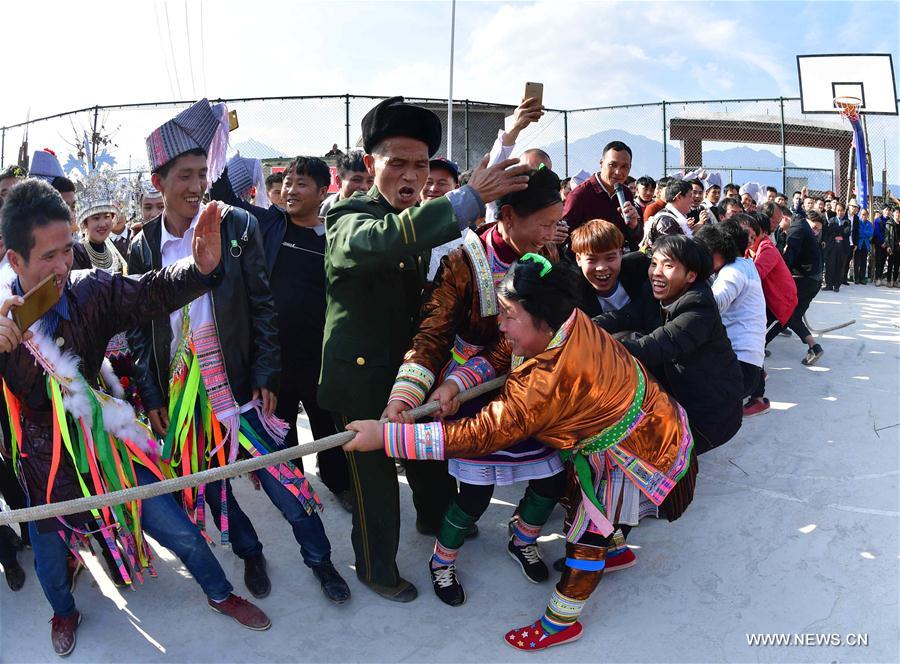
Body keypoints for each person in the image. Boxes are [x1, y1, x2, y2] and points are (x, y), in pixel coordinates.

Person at [344, 257, 695, 651]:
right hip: (649, 421)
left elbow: (484, 432)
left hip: (636, 451)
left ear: (541, 318)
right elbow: (501, 354)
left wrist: (387, 439)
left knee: (586, 534)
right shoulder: (567, 319)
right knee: (587, 510)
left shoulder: (546, 379)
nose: (501, 325)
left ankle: (562, 621)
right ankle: (611, 552)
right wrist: (456, 383)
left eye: (509, 315)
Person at [0, 179, 271, 656]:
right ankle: (64, 612)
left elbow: (149, 292)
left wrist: (200, 270)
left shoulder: (91, 290)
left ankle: (220, 592)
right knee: (48, 563)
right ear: (14, 260)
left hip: (109, 439)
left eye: (68, 250)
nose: (64, 265)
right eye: (49, 257)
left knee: (179, 531)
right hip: (46, 460)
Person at [129, 99, 350, 604]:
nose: (194, 186)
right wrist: (151, 393)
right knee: (214, 487)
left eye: (201, 173)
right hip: (183, 394)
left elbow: (262, 307)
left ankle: (321, 561)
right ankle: (250, 551)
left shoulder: (236, 226)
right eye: (183, 175)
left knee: (285, 484)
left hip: (240, 385)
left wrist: (267, 374)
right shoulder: (141, 246)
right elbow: (141, 329)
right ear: (158, 182)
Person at [319, 95, 530, 603]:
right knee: (375, 483)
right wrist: (465, 199)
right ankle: (375, 566)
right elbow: (384, 240)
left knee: (429, 459)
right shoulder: (350, 217)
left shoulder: (418, 218)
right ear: (371, 165)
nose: (410, 175)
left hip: (417, 366)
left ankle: (435, 519)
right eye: (398, 163)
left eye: (420, 164)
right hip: (364, 378)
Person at [383, 167, 566, 606]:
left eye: (555, 222)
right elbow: (431, 336)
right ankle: (442, 561)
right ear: (506, 216)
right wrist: (406, 396)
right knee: (476, 493)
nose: (550, 233)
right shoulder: (461, 259)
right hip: (469, 388)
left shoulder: (545, 255)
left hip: (527, 386)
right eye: (542, 224)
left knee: (549, 480)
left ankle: (522, 537)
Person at [594, 235, 743, 456]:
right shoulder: (653, 293)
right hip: (676, 397)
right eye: (654, 263)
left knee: (661, 462)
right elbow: (623, 317)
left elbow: (651, 348)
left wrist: (593, 346)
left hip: (709, 413)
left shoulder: (698, 309)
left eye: (668, 265)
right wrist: (584, 326)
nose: (656, 272)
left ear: (690, 275)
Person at [266, 156, 353, 510]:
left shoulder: (334, 236)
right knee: (283, 427)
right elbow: (227, 194)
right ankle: (295, 489)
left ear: (323, 191)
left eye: (301, 184)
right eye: (287, 182)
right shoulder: (271, 227)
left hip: (320, 355)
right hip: (277, 355)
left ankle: (338, 483)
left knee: (326, 424)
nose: (290, 190)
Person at [694, 222, 767, 416]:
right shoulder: (745, 265)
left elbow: (715, 302)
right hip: (749, 363)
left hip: (738, 365)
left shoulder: (732, 271)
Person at [561, 141, 641, 251]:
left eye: (624, 166)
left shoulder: (625, 193)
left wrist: (634, 225)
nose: (618, 172)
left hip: (616, 260)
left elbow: (635, 238)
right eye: (612, 165)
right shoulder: (580, 195)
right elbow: (563, 236)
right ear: (601, 163)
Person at [773, 210, 825, 364]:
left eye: (818, 229)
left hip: (804, 281)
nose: (815, 232)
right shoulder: (800, 228)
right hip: (812, 282)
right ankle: (814, 347)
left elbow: (788, 256)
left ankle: (760, 345)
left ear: (785, 218)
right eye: (814, 227)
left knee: (780, 314)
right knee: (793, 317)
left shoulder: (798, 227)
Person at [422, 157, 463, 281]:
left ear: (456, 188)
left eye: (442, 183)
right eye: (428, 182)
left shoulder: (466, 229)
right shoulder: (404, 221)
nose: (433, 188)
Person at [319, 150, 374, 218]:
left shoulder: (381, 212)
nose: (364, 187)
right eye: (356, 180)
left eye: (370, 181)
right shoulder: (323, 212)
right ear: (339, 181)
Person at [642, 179, 694, 250]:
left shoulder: (671, 218)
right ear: (679, 196)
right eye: (690, 196)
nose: (692, 200)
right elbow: (671, 255)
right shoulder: (666, 222)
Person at [822, 201, 849, 292]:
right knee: (830, 265)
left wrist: (836, 230)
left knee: (840, 265)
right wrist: (840, 230)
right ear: (836, 211)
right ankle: (829, 284)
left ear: (844, 211)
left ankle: (837, 285)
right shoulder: (832, 220)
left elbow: (846, 233)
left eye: (842, 210)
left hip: (842, 246)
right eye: (838, 210)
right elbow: (829, 231)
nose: (840, 212)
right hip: (832, 246)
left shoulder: (847, 221)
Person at [854, 208, 873, 285]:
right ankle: (856, 278)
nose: (864, 216)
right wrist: (865, 233)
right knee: (857, 262)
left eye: (865, 214)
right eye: (863, 214)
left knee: (864, 262)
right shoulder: (858, 222)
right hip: (859, 245)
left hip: (866, 245)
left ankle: (862, 278)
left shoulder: (869, 223)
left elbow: (871, 233)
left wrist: (863, 233)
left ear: (868, 215)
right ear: (860, 215)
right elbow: (858, 233)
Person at [872, 205, 891, 285]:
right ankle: (877, 278)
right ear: (883, 211)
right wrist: (883, 241)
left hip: (886, 244)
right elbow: (877, 232)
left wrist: (886, 243)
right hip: (879, 243)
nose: (887, 211)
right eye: (886, 210)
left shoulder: (890, 221)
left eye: (889, 210)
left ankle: (880, 277)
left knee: (883, 261)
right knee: (878, 261)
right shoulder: (877, 220)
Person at [885, 207, 900, 287]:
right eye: (896, 212)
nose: (898, 214)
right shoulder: (889, 222)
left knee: (897, 265)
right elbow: (886, 235)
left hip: (899, 248)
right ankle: (888, 281)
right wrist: (888, 246)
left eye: (899, 213)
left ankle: (895, 281)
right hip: (892, 246)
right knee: (890, 264)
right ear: (893, 213)